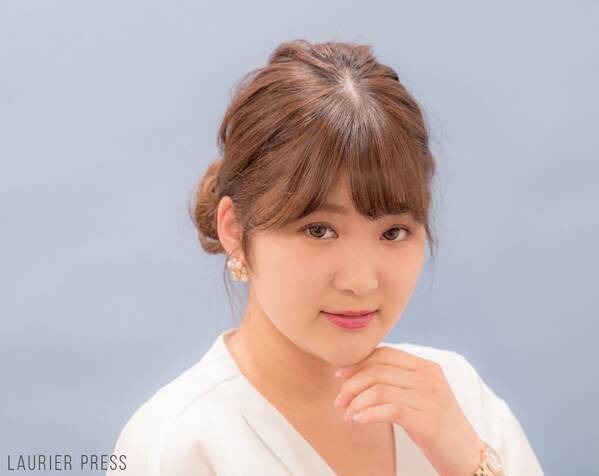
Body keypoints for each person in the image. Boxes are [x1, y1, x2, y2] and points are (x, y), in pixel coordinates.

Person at [106, 39, 544, 475]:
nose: (361, 281)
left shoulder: (458, 398)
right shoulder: (177, 445)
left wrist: (470, 462)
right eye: (319, 230)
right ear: (236, 230)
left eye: (393, 232)